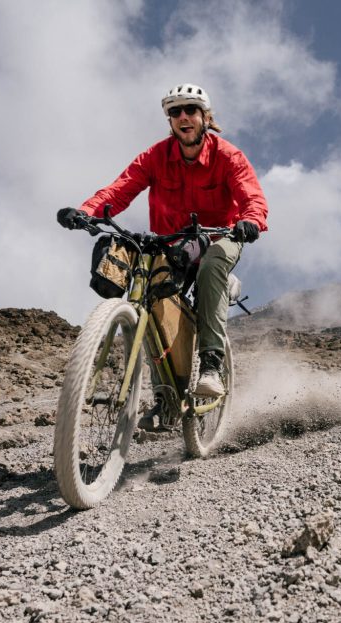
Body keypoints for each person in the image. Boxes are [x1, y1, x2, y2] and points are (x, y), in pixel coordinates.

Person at [57, 83, 268, 398]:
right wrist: (87, 211)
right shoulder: (156, 157)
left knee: (211, 266)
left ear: (206, 117)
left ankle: (210, 364)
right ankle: (165, 395)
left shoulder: (228, 156)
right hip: (172, 243)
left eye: (191, 110)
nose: (183, 116)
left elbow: (252, 197)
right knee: (152, 298)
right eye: (175, 111)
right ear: (170, 120)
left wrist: (249, 221)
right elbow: (122, 187)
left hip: (221, 234)